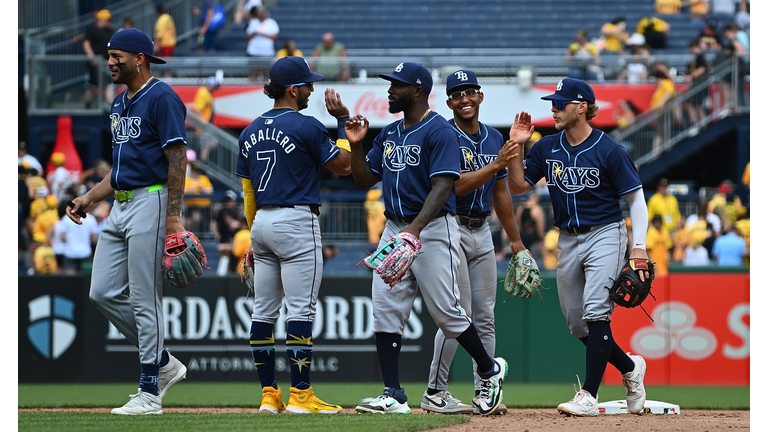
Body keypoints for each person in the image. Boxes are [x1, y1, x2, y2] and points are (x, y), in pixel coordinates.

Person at [345, 62, 507, 416]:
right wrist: (357, 146)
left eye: (396, 86)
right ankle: (393, 394)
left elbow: (444, 186)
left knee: (448, 312)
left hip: (432, 228)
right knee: (386, 312)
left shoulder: (439, 131)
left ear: (417, 91)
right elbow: (362, 179)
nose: (389, 91)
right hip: (395, 227)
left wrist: (414, 231)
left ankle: (489, 369)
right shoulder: (388, 133)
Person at [506, 78, 650, 417]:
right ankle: (630, 368)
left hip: (605, 233)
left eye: (560, 103)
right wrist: (517, 146)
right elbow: (516, 186)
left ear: (581, 106)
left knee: (596, 311)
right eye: (552, 103)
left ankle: (589, 394)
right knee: (577, 324)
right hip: (567, 238)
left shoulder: (609, 149)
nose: (553, 108)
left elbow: (636, 199)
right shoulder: (545, 147)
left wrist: (639, 247)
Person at [65, 28, 189, 415]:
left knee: (143, 297)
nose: (110, 62)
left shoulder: (163, 97)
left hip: (151, 201)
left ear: (140, 58)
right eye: (108, 55)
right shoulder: (119, 103)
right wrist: (87, 198)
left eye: (117, 55)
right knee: (100, 292)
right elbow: (118, 171)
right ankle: (163, 361)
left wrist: (173, 218)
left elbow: (178, 158)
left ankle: (149, 392)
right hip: (118, 205)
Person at [235, 56, 352, 414]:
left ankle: (269, 395)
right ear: (293, 89)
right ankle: (301, 394)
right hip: (296, 220)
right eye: (307, 85)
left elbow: (248, 193)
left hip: (261, 224)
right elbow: (345, 166)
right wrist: (342, 124)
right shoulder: (307, 126)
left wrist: (255, 237)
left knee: (263, 312)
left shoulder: (248, 130)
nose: (311, 89)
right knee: (300, 310)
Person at [419, 69, 524, 415]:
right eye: (457, 94)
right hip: (450, 227)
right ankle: (436, 389)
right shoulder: (443, 134)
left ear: (480, 96)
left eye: (470, 92)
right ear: (448, 102)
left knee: (485, 317)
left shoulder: (494, 137)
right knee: (457, 313)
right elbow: (453, 186)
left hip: (482, 231)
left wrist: (517, 242)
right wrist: (496, 165)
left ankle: (485, 387)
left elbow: (500, 192)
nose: (464, 98)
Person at [82, 9, 115, 108]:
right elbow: (86, 44)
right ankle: (88, 105)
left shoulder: (109, 30)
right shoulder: (92, 30)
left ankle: (110, 106)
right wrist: (92, 57)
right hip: (96, 63)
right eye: (107, 19)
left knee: (109, 84)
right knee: (92, 85)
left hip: (106, 62)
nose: (108, 22)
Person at [59, 201, 99, 274]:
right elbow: (94, 239)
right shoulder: (91, 219)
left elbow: (62, 238)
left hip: (70, 252)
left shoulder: (66, 218)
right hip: (85, 252)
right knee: (86, 279)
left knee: (70, 280)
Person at [650, 62, 677, 157]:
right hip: (661, 114)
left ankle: (661, 153)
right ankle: (656, 154)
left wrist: (662, 101)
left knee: (663, 134)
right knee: (662, 134)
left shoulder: (665, 82)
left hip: (665, 112)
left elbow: (670, 92)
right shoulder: (662, 85)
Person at [246, 6, 279, 82]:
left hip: (266, 51)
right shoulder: (253, 22)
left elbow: (275, 36)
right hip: (254, 50)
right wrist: (255, 33)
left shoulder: (271, 22)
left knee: (266, 72)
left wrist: (264, 34)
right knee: (253, 71)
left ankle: (265, 87)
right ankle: (251, 85)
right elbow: (248, 35)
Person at [684, 38, 710, 128]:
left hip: (700, 84)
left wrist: (691, 76)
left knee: (698, 105)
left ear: (694, 47)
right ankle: (699, 124)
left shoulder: (700, 56)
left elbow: (702, 69)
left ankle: (700, 125)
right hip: (699, 83)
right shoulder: (698, 57)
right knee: (696, 104)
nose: (689, 51)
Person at [213, 190, 241, 275]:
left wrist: (216, 235)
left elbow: (214, 223)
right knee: (225, 260)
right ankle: (223, 278)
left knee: (226, 261)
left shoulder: (225, 210)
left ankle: (225, 277)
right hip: (228, 238)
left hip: (228, 238)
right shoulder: (225, 211)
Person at [516, 190, 546, 266]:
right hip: (534, 240)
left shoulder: (520, 208)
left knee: (525, 263)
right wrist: (542, 240)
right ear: (537, 199)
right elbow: (540, 229)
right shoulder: (537, 209)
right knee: (537, 263)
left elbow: (519, 224)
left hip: (523, 238)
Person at [184, 162, 214, 233]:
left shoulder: (204, 178)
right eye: (194, 170)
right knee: (196, 217)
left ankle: (209, 234)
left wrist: (202, 188)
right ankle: (190, 234)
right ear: (191, 171)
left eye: (197, 171)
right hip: (193, 206)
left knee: (216, 210)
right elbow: (184, 192)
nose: (196, 172)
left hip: (205, 206)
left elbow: (210, 190)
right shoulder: (187, 180)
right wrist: (194, 189)